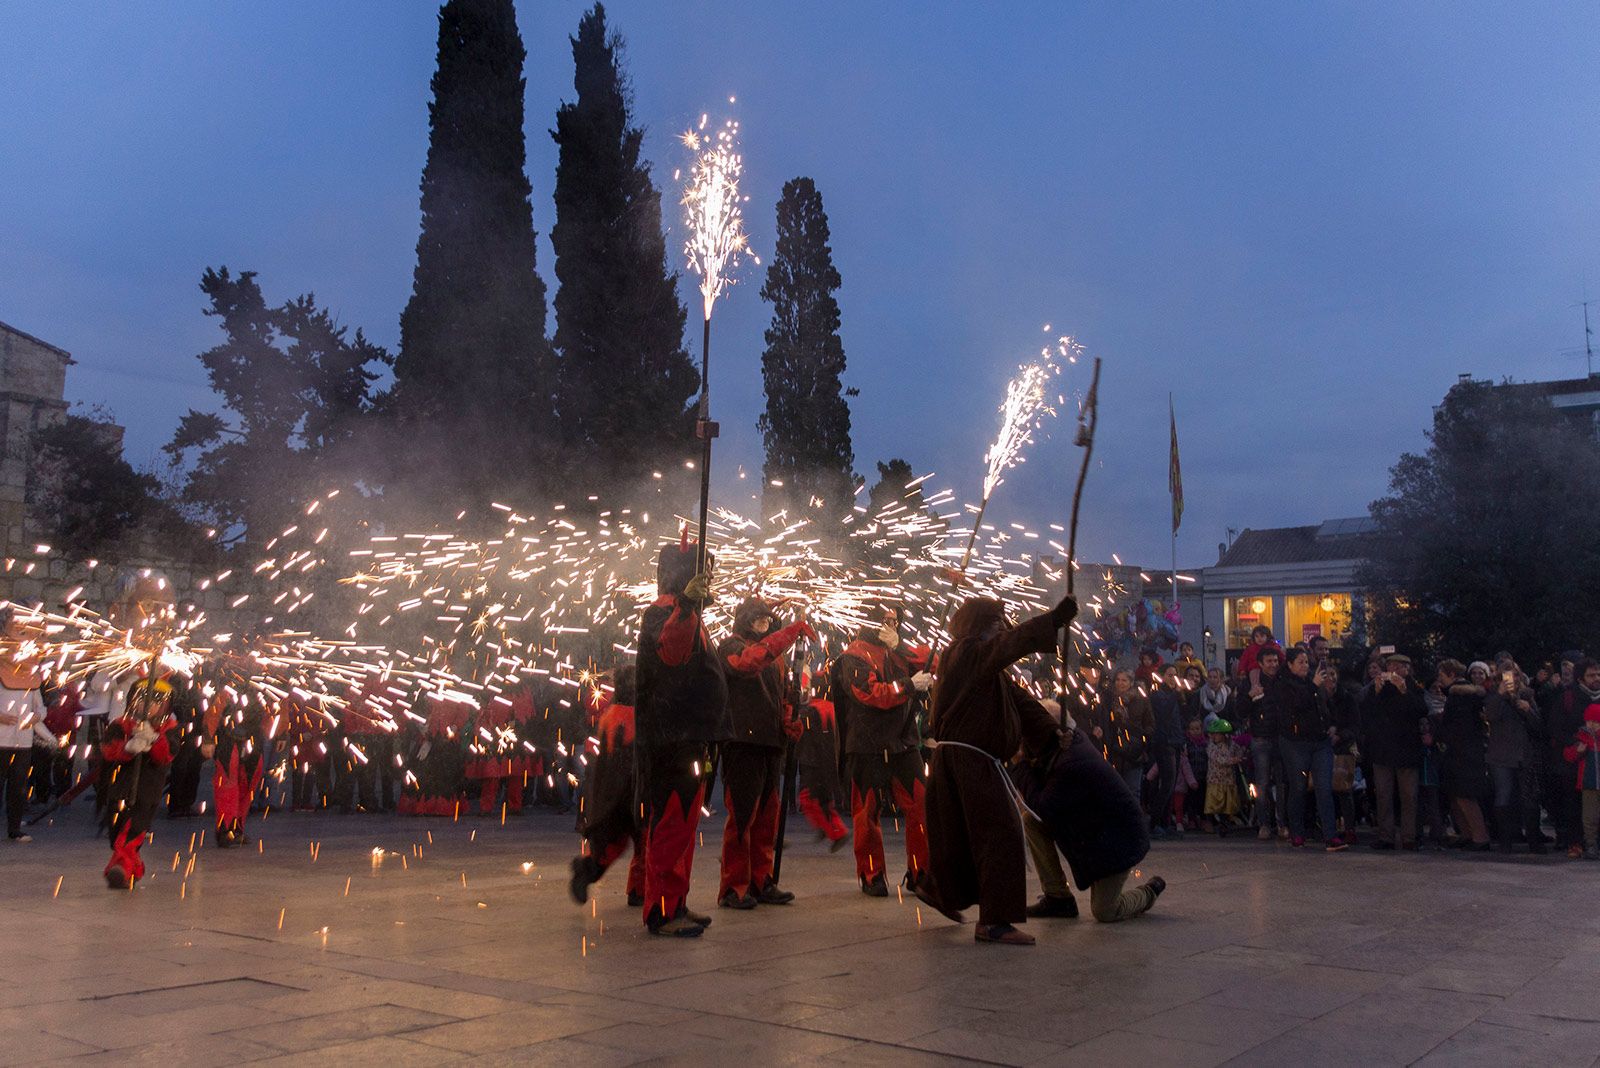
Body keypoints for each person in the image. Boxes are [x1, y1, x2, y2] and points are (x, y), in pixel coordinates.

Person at [919, 593, 1077, 943]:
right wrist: (1051, 621)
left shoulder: (984, 668)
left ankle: (938, 891)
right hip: (969, 761)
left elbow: (1020, 702)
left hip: (959, 762)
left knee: (957, 837)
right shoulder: (964, 653)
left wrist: (1053, 732)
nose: (1001, 630)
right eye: (995, 624)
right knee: (1000, 834)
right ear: (978, 627)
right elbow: (1008, 644)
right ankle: (994, 922)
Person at [634, 535, 728, 937]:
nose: (710, 578)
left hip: (690, 738)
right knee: (671, 824)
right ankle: (661, 911)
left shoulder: (685, 610)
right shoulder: (663, 612)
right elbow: (670, 650)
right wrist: (688, 606)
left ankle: (678, 901)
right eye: (702, 572)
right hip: (671, 739)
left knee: (684, 826)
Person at [1016, 689, 1166, 927]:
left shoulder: (1071, 761)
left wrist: (1020, 765)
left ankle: (1149, 892)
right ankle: (1057, 897)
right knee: (1031, 821)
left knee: (1105, 910)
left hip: (1117, 840)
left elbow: (1045, 805)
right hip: (1093, 833)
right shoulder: (1062, 748)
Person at [715, 598, 815, 910]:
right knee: (743, 816)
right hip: (741, 742)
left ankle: (761, 879)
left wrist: (788, 720)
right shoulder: (730, 645)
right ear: (745, 618)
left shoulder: (776, 658)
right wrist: (787, 633)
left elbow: (783, 694)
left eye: (768, 618)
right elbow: (748, 663)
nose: (765, 622)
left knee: (768, 816)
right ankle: (733, 886)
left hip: (770, 742)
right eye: (758, 617)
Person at [834, 606, 933, 898]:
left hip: (902, 743)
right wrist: (908, 686)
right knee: (868, 812)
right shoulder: (853, 655)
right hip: (867, 746)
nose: (894, 623)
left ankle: (922, 872)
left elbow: (934, 661)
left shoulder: (896, 649)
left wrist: (900, 646)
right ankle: (871, 873)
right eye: (888, 620)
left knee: (921, 805)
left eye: (896, 619)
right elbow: (871, 694)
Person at [570, 667, 647, 907]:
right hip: (629, 792)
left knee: (613, 844)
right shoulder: (633, 716)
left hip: (611, 793)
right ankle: (637, 889)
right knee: (644, 841)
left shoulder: (612, 712)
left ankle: (593, 870)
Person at [100, 671, 181, 888]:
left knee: (132, 831)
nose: (148, 706)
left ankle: (119, 870)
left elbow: (167, 755)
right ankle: (134, 869)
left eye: (155, 702)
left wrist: (154, 739)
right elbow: (108, 750)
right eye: (142, 700)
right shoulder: (121, 724)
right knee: (117, 832)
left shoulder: (169, 729)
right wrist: (127, 747)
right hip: (119, 787)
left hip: (148, 788)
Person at [1273, 647, 1342, 850]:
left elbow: (1325, 706)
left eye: (1306, 662)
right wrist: (1313, 686)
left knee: (1324, 787)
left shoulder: (1315, 681)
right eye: (1300, 662)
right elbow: (1295, 705)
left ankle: (1330, 835)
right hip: (1295, 742)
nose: (1304, 666)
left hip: (1320, 741)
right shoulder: (1284, 684)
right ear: (1290, 664)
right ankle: (1297, 832)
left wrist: (1332, 724)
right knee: (1298, 787)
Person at [1360, 651, 1428, 851]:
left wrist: (1404, 691)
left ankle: (1409, 836)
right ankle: (1386, 835)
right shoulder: (1380, 688)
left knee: (1409, 795)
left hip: (1407, 749)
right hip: (1383, 749)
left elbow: (1420, 710)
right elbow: (1367, 712)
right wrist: (1377, 692)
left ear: (1407, 669)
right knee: (1383, 794)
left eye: (1400, 667)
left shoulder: (1414, 688)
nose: (1395, 671)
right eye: (1391, 667)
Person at [0, 611, 54, 842]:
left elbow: (41, 708)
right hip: (0, 741)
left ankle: (14, 828)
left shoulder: (32, 678)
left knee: (18, 787)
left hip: (22, 742)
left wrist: (35, 717)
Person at [1484, 662, 1545, 854]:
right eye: (1507, 676)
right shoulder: (1493, 695)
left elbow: (1539, 727)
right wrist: (1501, 695)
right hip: (1501, 754)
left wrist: (1528, 710)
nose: (1513, 680)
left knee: (1529, 798)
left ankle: (1534, 840)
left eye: (1515, 676)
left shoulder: (1527, 695)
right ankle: (1505, 841)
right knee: (1504, 795)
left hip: (1523, 754)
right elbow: (1491, 717)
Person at [1544, 658, 1597, 857]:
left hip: (1595, 759)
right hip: (1573, 760)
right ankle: (1574, 841)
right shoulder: (1568, 697)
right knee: (1573, 803)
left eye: (1598, 674)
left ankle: (1592, 841)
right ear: (1580, 677)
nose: (1596, 679)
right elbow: (1554, 728)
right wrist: (1575, 742)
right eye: (1591, 675)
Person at [203, 682, 266, 848]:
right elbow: (214, 711)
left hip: (254, 739)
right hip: (229, 739)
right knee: (227, 784)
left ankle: (237, 828)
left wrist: (280, 733)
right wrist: (208, 738)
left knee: (248, 785)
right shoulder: (229, 682)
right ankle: (225, 829)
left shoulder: (264, 682)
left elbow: (276, 708)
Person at [1437, 661, 1491, 851]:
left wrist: (1441, 731)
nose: (1440, 680)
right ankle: (1468, 833)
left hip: (1464, 752)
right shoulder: (1463, 695)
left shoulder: (1459, 696)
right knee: (1457, 795)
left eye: (1442, 675)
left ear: (1451, 674)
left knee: (1465, 796)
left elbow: (1457, 726)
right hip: (1463, 751)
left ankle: (1479, 836)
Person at [795, 670, 849, 851]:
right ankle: (826, 828)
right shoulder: (831, 707)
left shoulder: (813, 710)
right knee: (818, 800)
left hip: (814, 764)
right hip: (824, 763)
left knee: (812, 799)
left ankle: (837, 831)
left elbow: (812, 741)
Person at [1089, 670, 1153, 805]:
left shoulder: (1141, 700)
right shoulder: (1107, 698)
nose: (1120, 683)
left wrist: (1141, 739)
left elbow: (1149, 723)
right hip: (1114, 750)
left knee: (1133, 790)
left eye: (1124, 680)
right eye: (1118, 679)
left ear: (1131, 682)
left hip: (1134, 751)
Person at [1244, 646, 1287, 840]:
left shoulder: (1283, 680)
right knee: (1261, 783)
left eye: (1275, 661)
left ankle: (1282, 823)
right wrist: (1250, 697)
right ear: (1261, 664)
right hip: (1261, 738)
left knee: (1282, 783)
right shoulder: (1252, 682)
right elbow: (1240, 711)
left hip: (1281, 738)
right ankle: (1264, 823)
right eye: (1269, 661)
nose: (1273, 665)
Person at [1147, 666, 1188, 837]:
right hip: (1164, 743)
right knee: (1166, 784)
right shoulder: (1158, 694)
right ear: (1162, 677)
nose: (1173, 678)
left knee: (1170, 785)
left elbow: (1181, 716)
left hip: (1175, 741)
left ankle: (1165, 823)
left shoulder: (1174, 695)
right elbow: (1163, 714)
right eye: (1170, 675)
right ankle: (1154, 823)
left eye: (1175, 675)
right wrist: (1176, 693)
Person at [1561, 702, 1600, 860]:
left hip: (1591, 782)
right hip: (1588, 784)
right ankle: (1591, 844)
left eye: (1596, 722)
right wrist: (1577, 752)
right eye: (1589, 721)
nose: (1592, 725)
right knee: (1589, 816)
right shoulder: (1581, 737)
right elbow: (1568, 755)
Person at [1203, 719, 1244, 831]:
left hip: (1228, 779)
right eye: (1212, 734)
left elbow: (1239, 750)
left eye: (1217, 734)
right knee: (1214, 802)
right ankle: (1210, 821)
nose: (1213, 736)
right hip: (1215, 779)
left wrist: (1241, 756)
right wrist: (1232, 760)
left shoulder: (1231, 745)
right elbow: (1218, 759)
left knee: (1227, 802)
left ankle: (1225, 821)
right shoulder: (1211, 747)